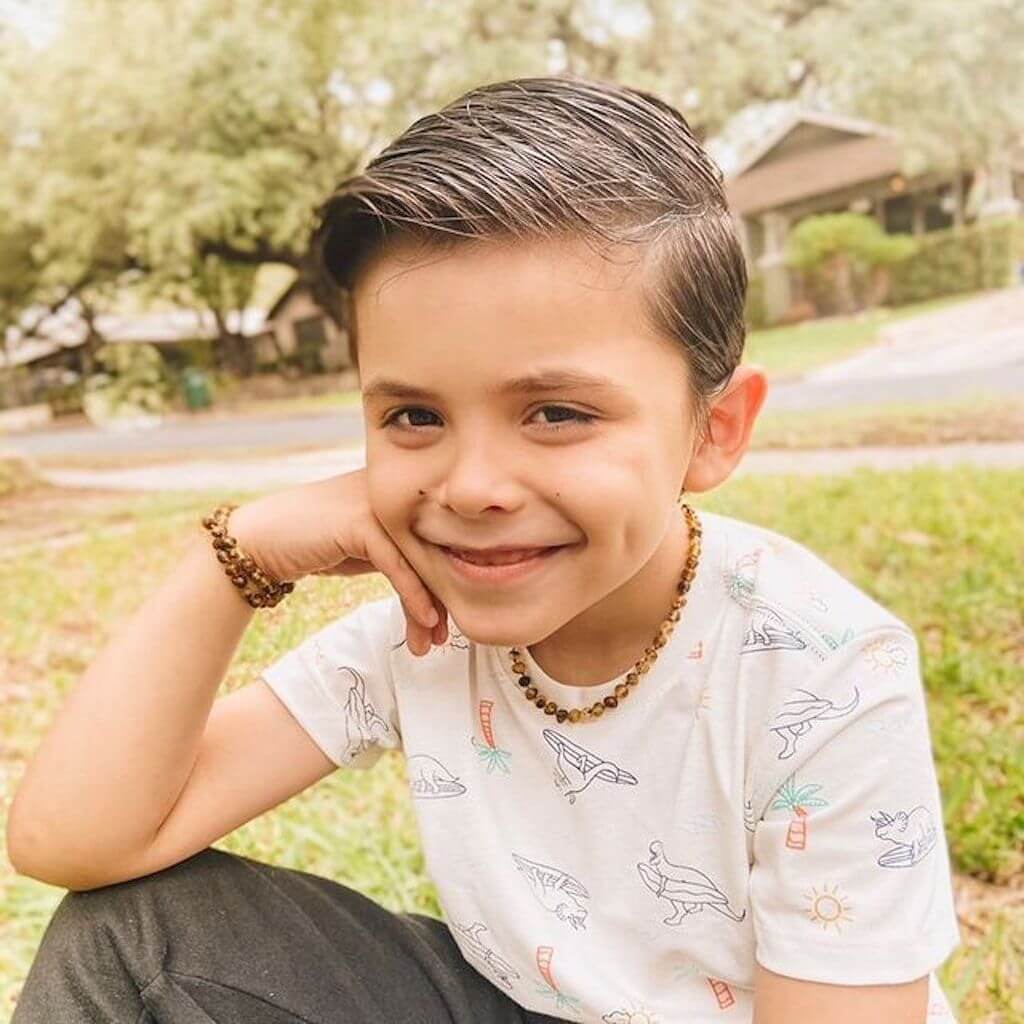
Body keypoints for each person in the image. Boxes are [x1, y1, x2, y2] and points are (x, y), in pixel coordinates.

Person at [7, 76, 962, 1024]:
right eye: (414, 416)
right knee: (127, 938)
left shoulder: (821, 670)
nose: (472, 487)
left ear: (714, 429)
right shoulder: (421, 635)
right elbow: (75, 839)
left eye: (556, 413)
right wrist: (237, 556)